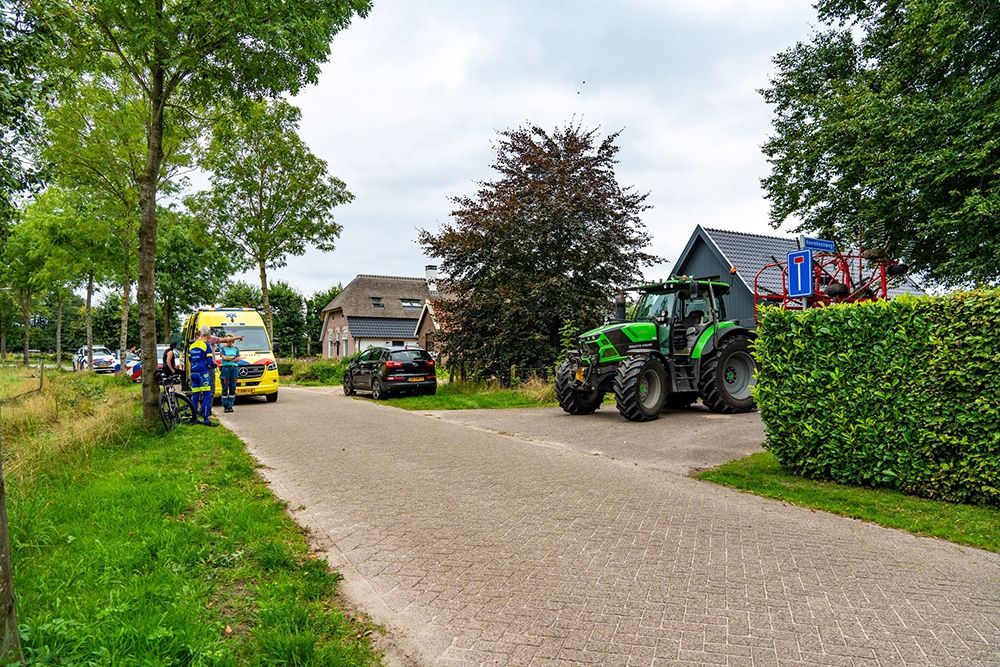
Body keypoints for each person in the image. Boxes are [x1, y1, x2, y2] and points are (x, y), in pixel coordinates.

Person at [188, 330, 218, 427]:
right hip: (202, 373)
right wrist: (214, 366)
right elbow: (210, 361)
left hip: (193, 372)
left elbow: (189, 359)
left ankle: (195, 418)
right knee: (206, 395)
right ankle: (206, 419)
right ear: (208, 337)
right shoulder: (207, 345)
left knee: (195, 396)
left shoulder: (192, 345)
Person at [218, 340, 242, 413]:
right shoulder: (223, 349)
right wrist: (233, 358)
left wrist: (229, 358)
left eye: (231, 341)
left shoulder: (236, 349)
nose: (229, 342)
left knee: (233, 387)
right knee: (225, 386)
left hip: (234, 369)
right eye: (228, 341)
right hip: (226, 368)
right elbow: (224, 358)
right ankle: (225, 404)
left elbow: (238, 359)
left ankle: (230, 405)